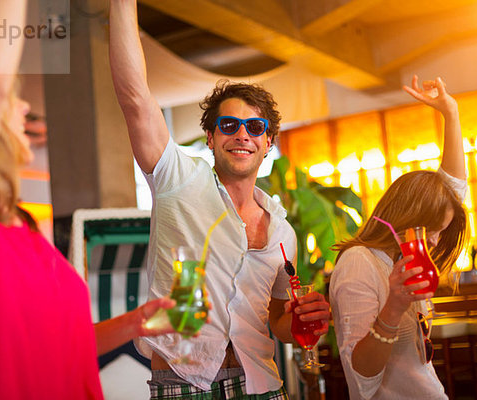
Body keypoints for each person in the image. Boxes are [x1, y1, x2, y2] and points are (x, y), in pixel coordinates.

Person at [0, 2, 177, 399]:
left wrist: (137, 322)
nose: (24, 107)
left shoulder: (23, 228)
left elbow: (64, 345)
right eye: (11, 99)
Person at [109, 1, 331, 398]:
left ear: (267, 143)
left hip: (262, 385)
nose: (242, 135)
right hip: (183, 384)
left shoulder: (283, 232)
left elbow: (277, 320)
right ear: (210, 139)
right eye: (228, 125)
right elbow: (135, 98)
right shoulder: (179, 179)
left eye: (254, 127)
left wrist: (303, 322)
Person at [329, 75, 468, 399]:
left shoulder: (401, 261)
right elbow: (361, 378)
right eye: (430, 230)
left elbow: (452, 193)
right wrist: (393, 308)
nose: (434, 242)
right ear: (407, 219)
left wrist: (451, 112)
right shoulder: (358, 264)